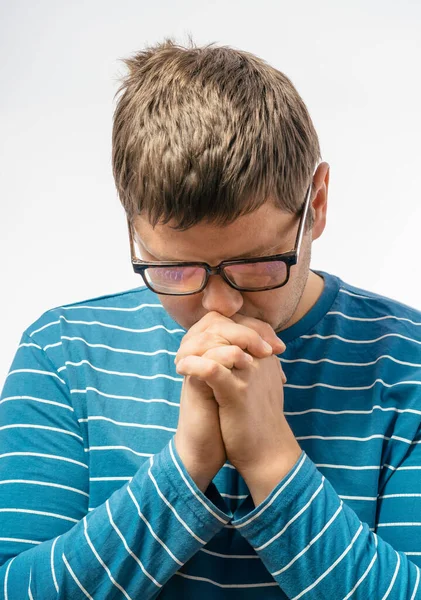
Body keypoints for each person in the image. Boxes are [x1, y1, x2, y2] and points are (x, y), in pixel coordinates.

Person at [0, 38, 420, 600]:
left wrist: (271, 459)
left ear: (316, 204)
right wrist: (187, 465)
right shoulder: (63, 353)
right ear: (133, 229)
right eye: (176, 271)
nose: (219, 307)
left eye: (256, 264)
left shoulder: (409, 366)